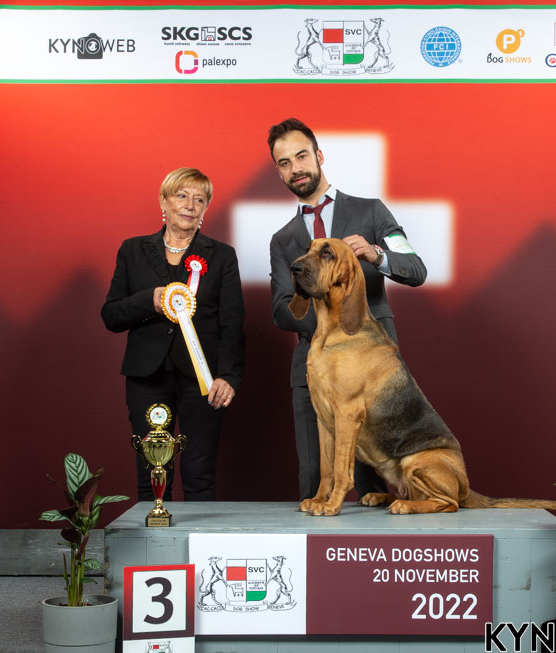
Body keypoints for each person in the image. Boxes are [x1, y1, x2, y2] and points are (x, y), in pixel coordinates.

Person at [268, 118, 427, 501]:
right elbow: (281, 310)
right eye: (284, 163)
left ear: (319, 156)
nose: (295, 168)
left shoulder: (371, 212)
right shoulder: (283, 240)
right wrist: (328, 324)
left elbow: (415, 269)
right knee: (314, 482)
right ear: (279, 172)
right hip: (313, 363)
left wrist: (376, 254)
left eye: (301, 156)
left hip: (370, 367)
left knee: (374, 485)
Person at [102, 167, 245, 501]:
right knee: (152, 470)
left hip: (204, 378)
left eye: (200, 199)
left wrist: (229, 376)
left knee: (200, 472)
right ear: (163, 201)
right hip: (146, 376)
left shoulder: (222, 255)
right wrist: (149, 300)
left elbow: (232, 322)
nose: (190, 205)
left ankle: (199, 538)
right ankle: (155, 535)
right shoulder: (132, 250)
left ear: (205, 208)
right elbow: (111, 315)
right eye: (182, 196)